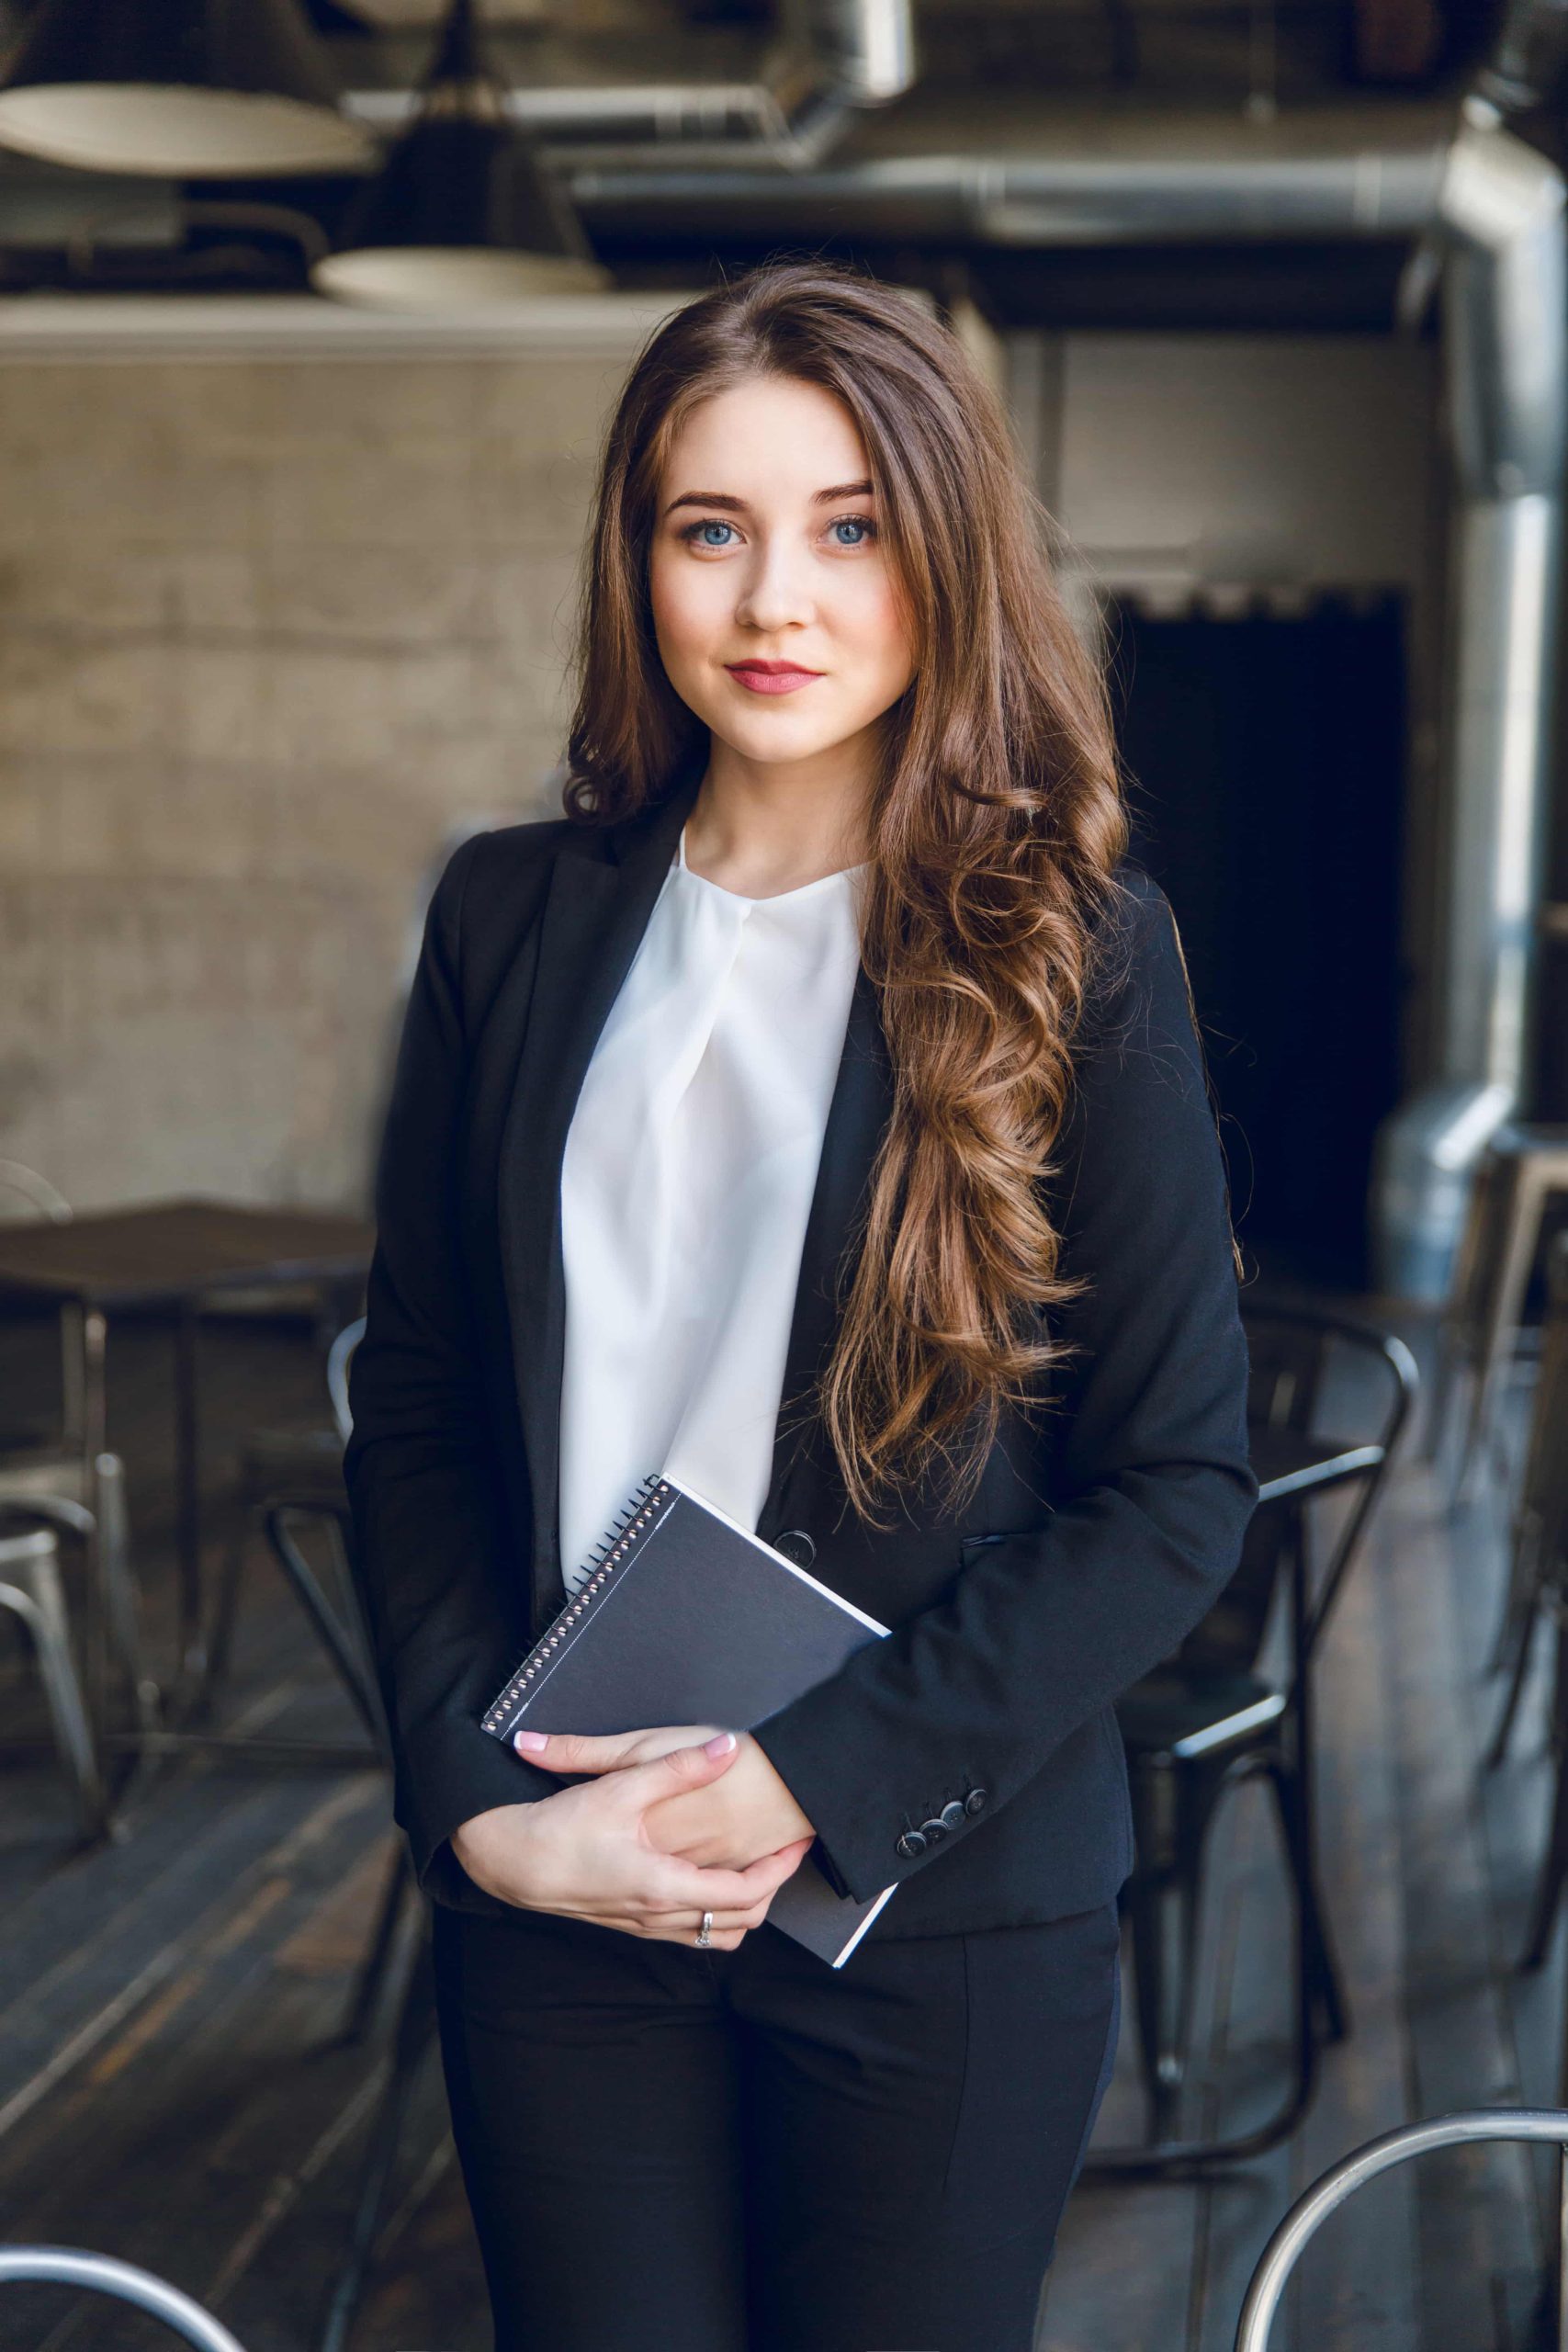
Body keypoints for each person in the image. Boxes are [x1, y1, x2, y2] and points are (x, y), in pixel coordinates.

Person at [343, 258, 1258, 2352]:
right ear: (635, 561)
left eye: (847, 524)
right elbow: (411, 1402)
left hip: (921, 1900)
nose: (778, 597)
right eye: (709, 527)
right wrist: (481, 1812)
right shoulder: (509, 913)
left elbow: (1174, 1487)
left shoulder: (1073, 945)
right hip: (563, 1872)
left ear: (938, 554)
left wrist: (807, 1779)